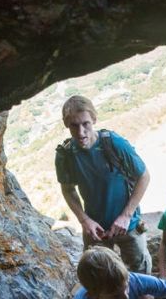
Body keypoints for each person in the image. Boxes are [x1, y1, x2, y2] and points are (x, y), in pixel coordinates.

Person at [55, 95, 152, 274]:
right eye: (74, 126)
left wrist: (126, 215)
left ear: (94, 119)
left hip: (128, 226)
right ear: (66, 125)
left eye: (86, 124)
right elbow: (68, 190)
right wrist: (84, 220)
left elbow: (144, 176)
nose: (81, 132)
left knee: (143, 280)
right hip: (96, 229)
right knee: (99, 279)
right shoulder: (66, 155)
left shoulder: (113, 143)